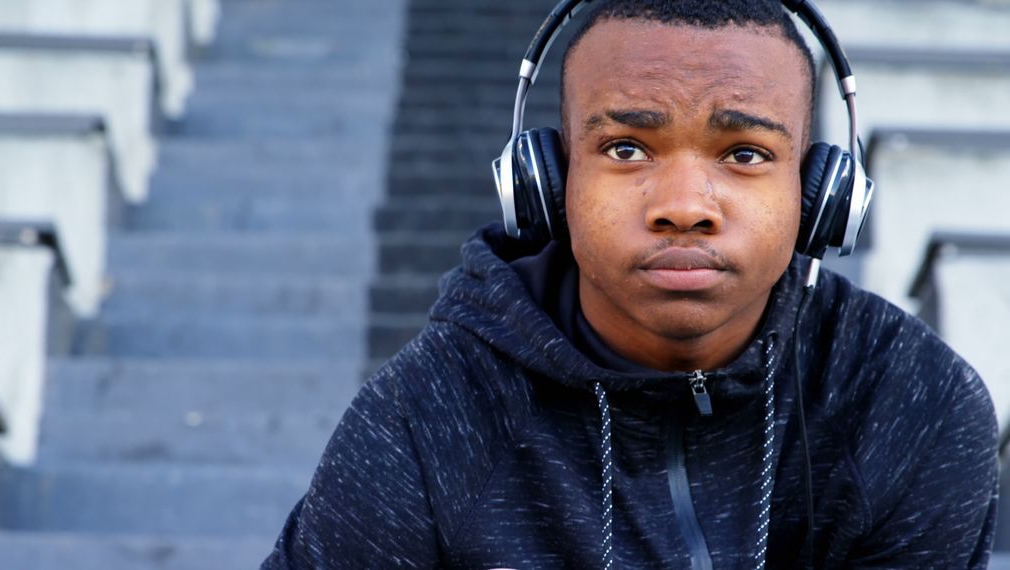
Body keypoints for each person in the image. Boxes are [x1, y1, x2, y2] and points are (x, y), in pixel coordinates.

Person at [262, 1, 998, 568]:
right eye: (625, 147)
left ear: (818, 197)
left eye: (743, 153)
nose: (683, 204)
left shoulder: (910, 403)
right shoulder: (424, 421)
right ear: (548, 185)